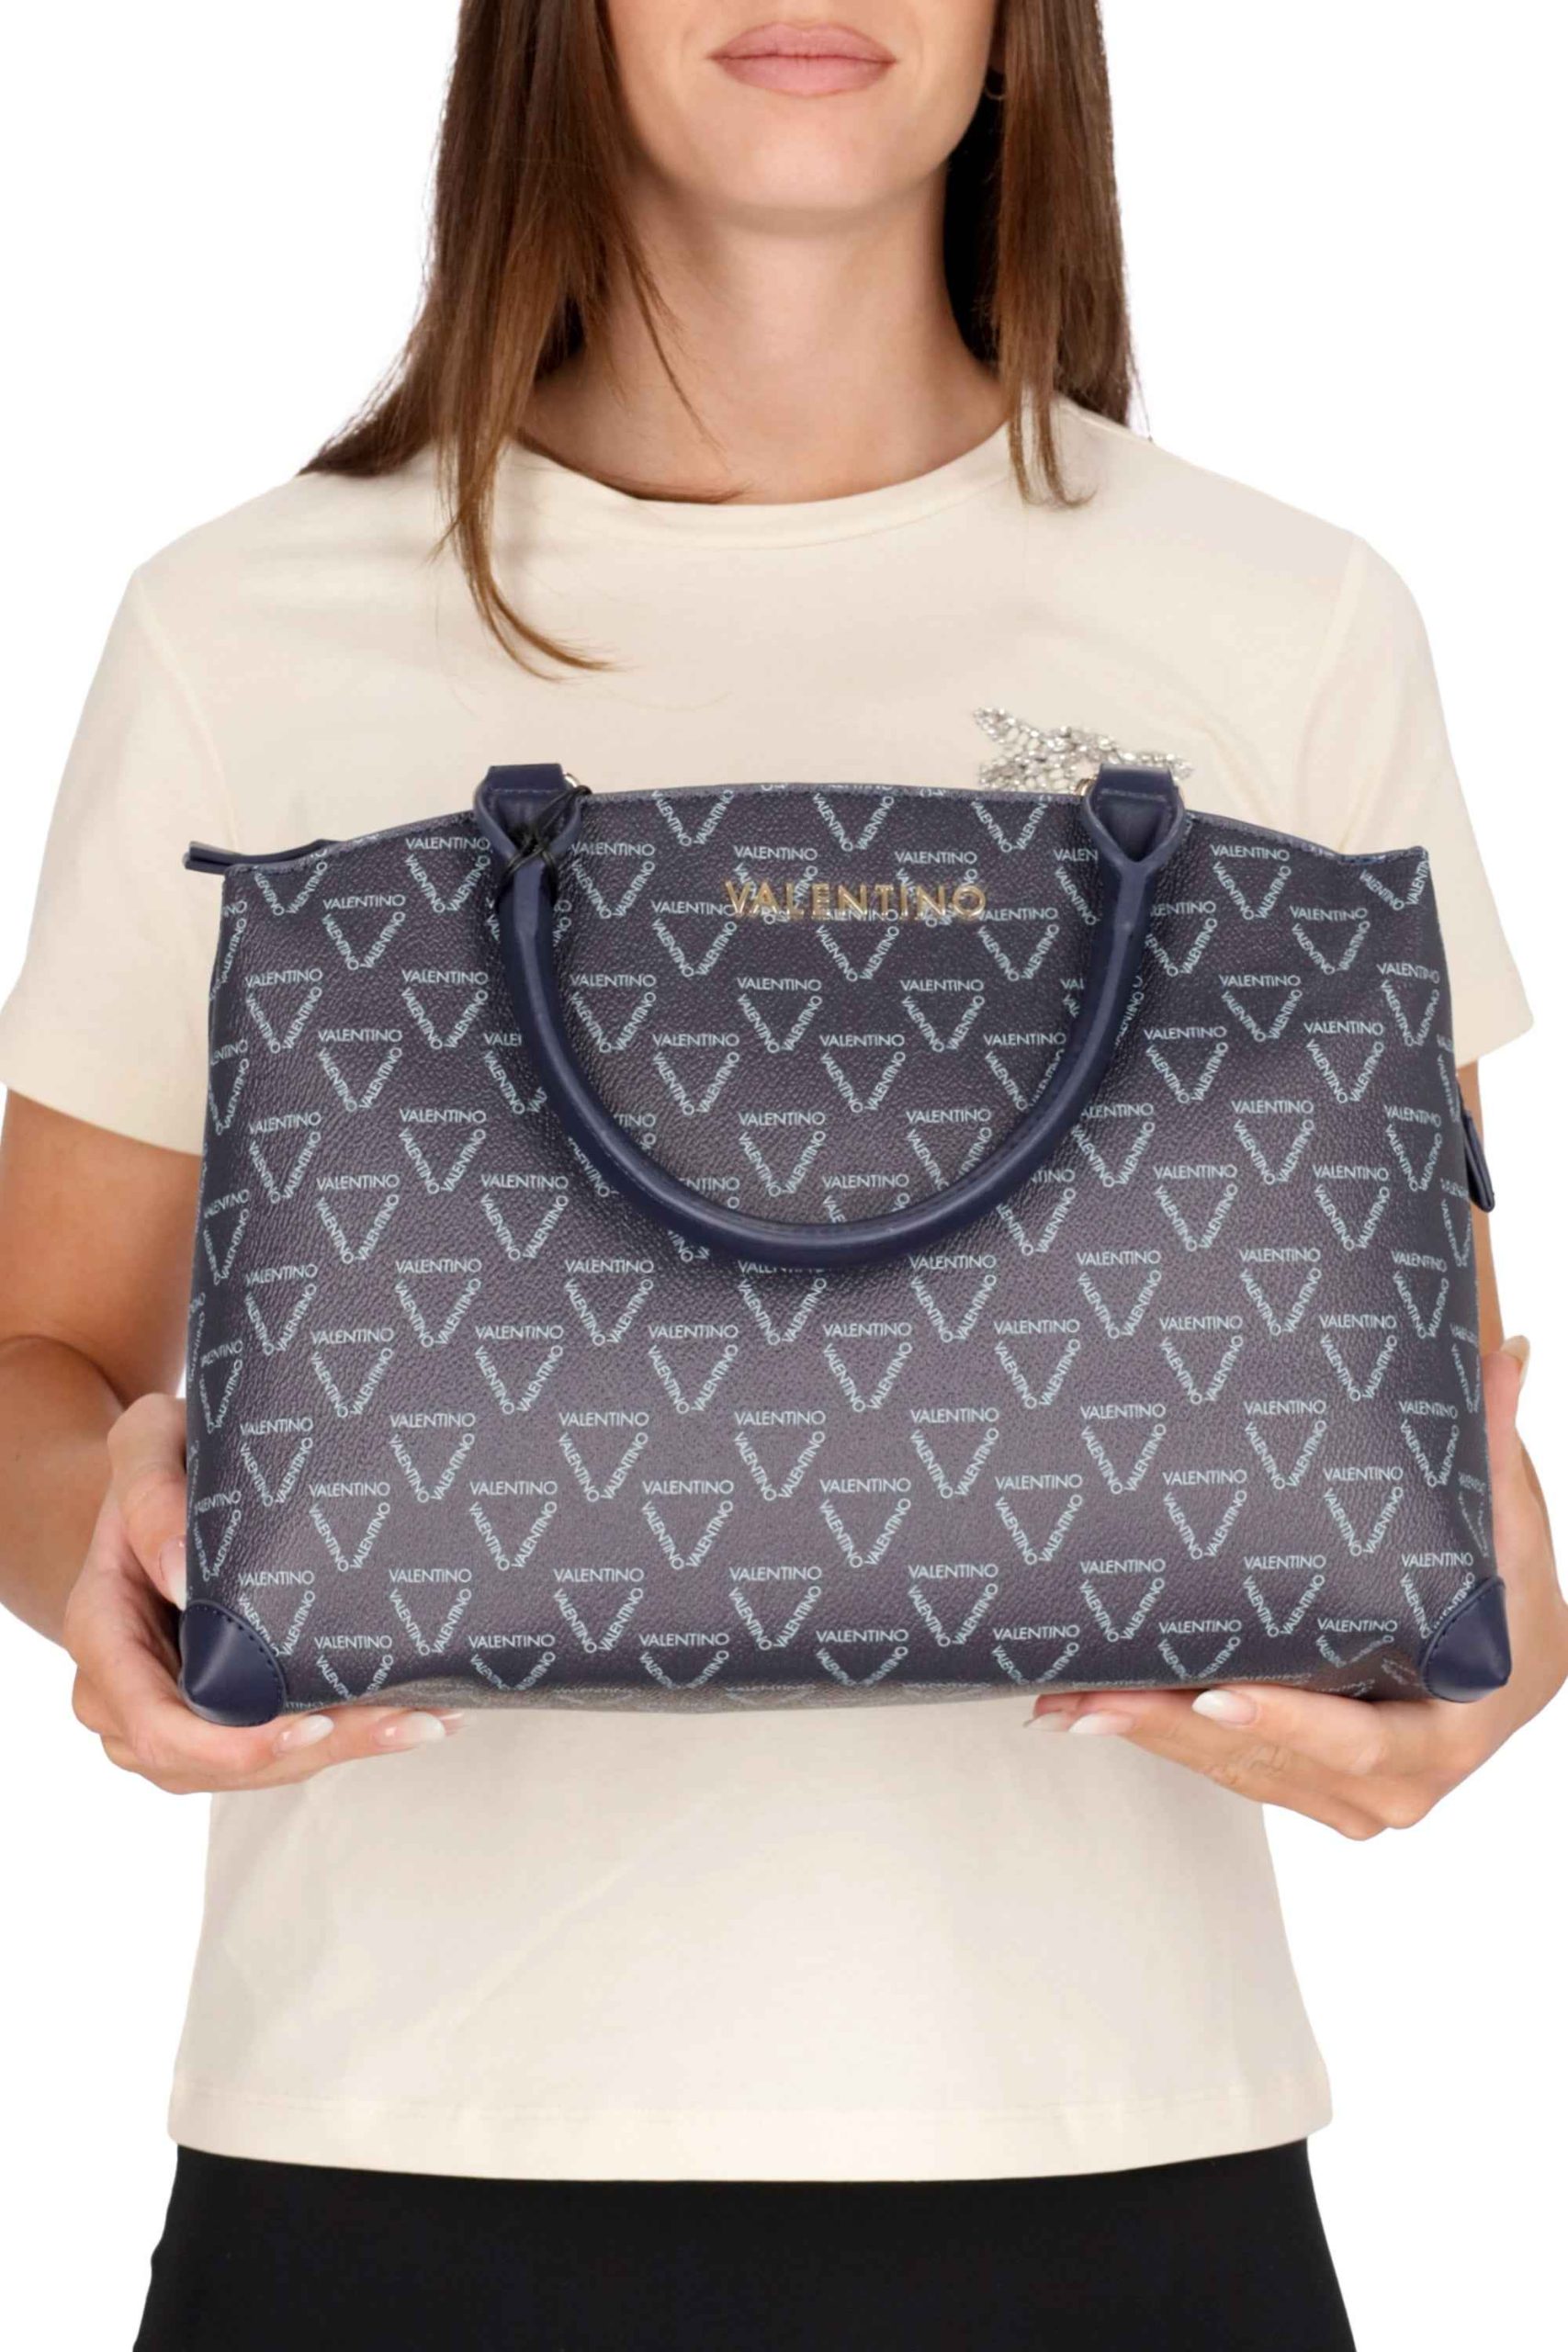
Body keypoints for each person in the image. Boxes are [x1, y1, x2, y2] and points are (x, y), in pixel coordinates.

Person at [0, 5, 1561, 2346]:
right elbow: (37, 1355)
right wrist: (103, 1559)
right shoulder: (244, 620)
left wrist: (1482, 1656)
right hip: (388, 2148)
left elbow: (1422, 1434)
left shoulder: (1284, 611)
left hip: (1117, 2143)